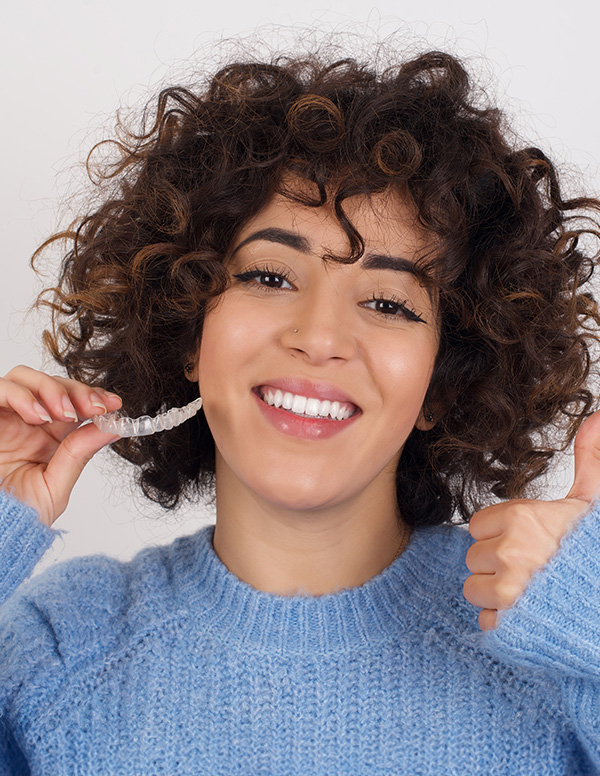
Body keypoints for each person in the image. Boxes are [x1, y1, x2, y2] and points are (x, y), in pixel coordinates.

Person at [1, 45, 600, 774]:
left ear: (443, 385)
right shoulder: (58, 648)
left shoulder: (557, 647)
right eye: (268, 276)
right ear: (190, 331)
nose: (318, 337)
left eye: (387, 302)